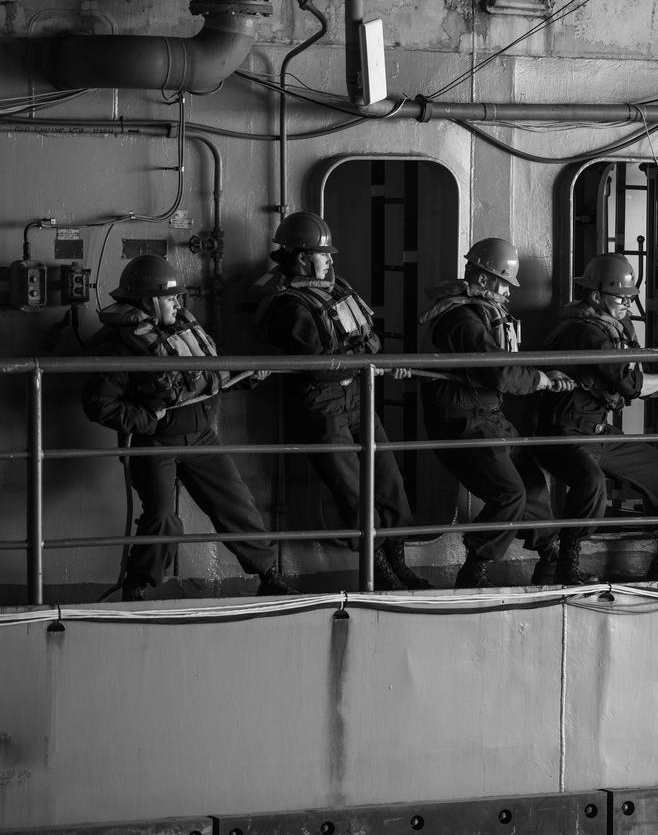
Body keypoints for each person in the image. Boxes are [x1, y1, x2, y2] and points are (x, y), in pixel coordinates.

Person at [83, 255, 297, 600]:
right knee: (162, 517)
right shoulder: (123, 346)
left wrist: (247, 378)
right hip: (156, 444)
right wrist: (147, 420)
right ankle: (136, 586)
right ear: (149, 301)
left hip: (201, 436)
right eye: (170, 298)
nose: (177, 303)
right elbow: (98, 403)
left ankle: (269, 574)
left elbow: (207, 378)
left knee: (235, 503)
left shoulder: (183, 327)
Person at [253, 211, 430, 590]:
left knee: (390, 482)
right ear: (302, 258)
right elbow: (317, 367)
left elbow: (372, 340)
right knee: (352, 493)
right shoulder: (290, 306)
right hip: (323, 405)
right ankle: (378, 569)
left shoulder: (336, 289)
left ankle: (398, 563)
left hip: (357, 395)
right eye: (324, 254)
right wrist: (364, 361)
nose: (331, 260)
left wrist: (365, 361)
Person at [418, 237, 575, 588]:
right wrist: (543, 381)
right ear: (486, 280)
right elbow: (499, 372)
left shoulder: (481, 312)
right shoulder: (462, 319)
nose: (508, 292)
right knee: (509, 493)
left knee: (532, 483)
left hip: (486, 414)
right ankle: (475, 567)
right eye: (505, 283)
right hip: (461, 419)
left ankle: (550, 556)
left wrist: (543, 376)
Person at [535, 253, 658, 583]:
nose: (627, 306)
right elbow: (632, 385)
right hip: (565, 431)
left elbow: (636, 385)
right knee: (591, 484)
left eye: (630, 298)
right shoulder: (586, 332)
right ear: (595, 296)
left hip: (598, 429)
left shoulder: (611, 327)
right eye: (621, 298)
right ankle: (563, 567)